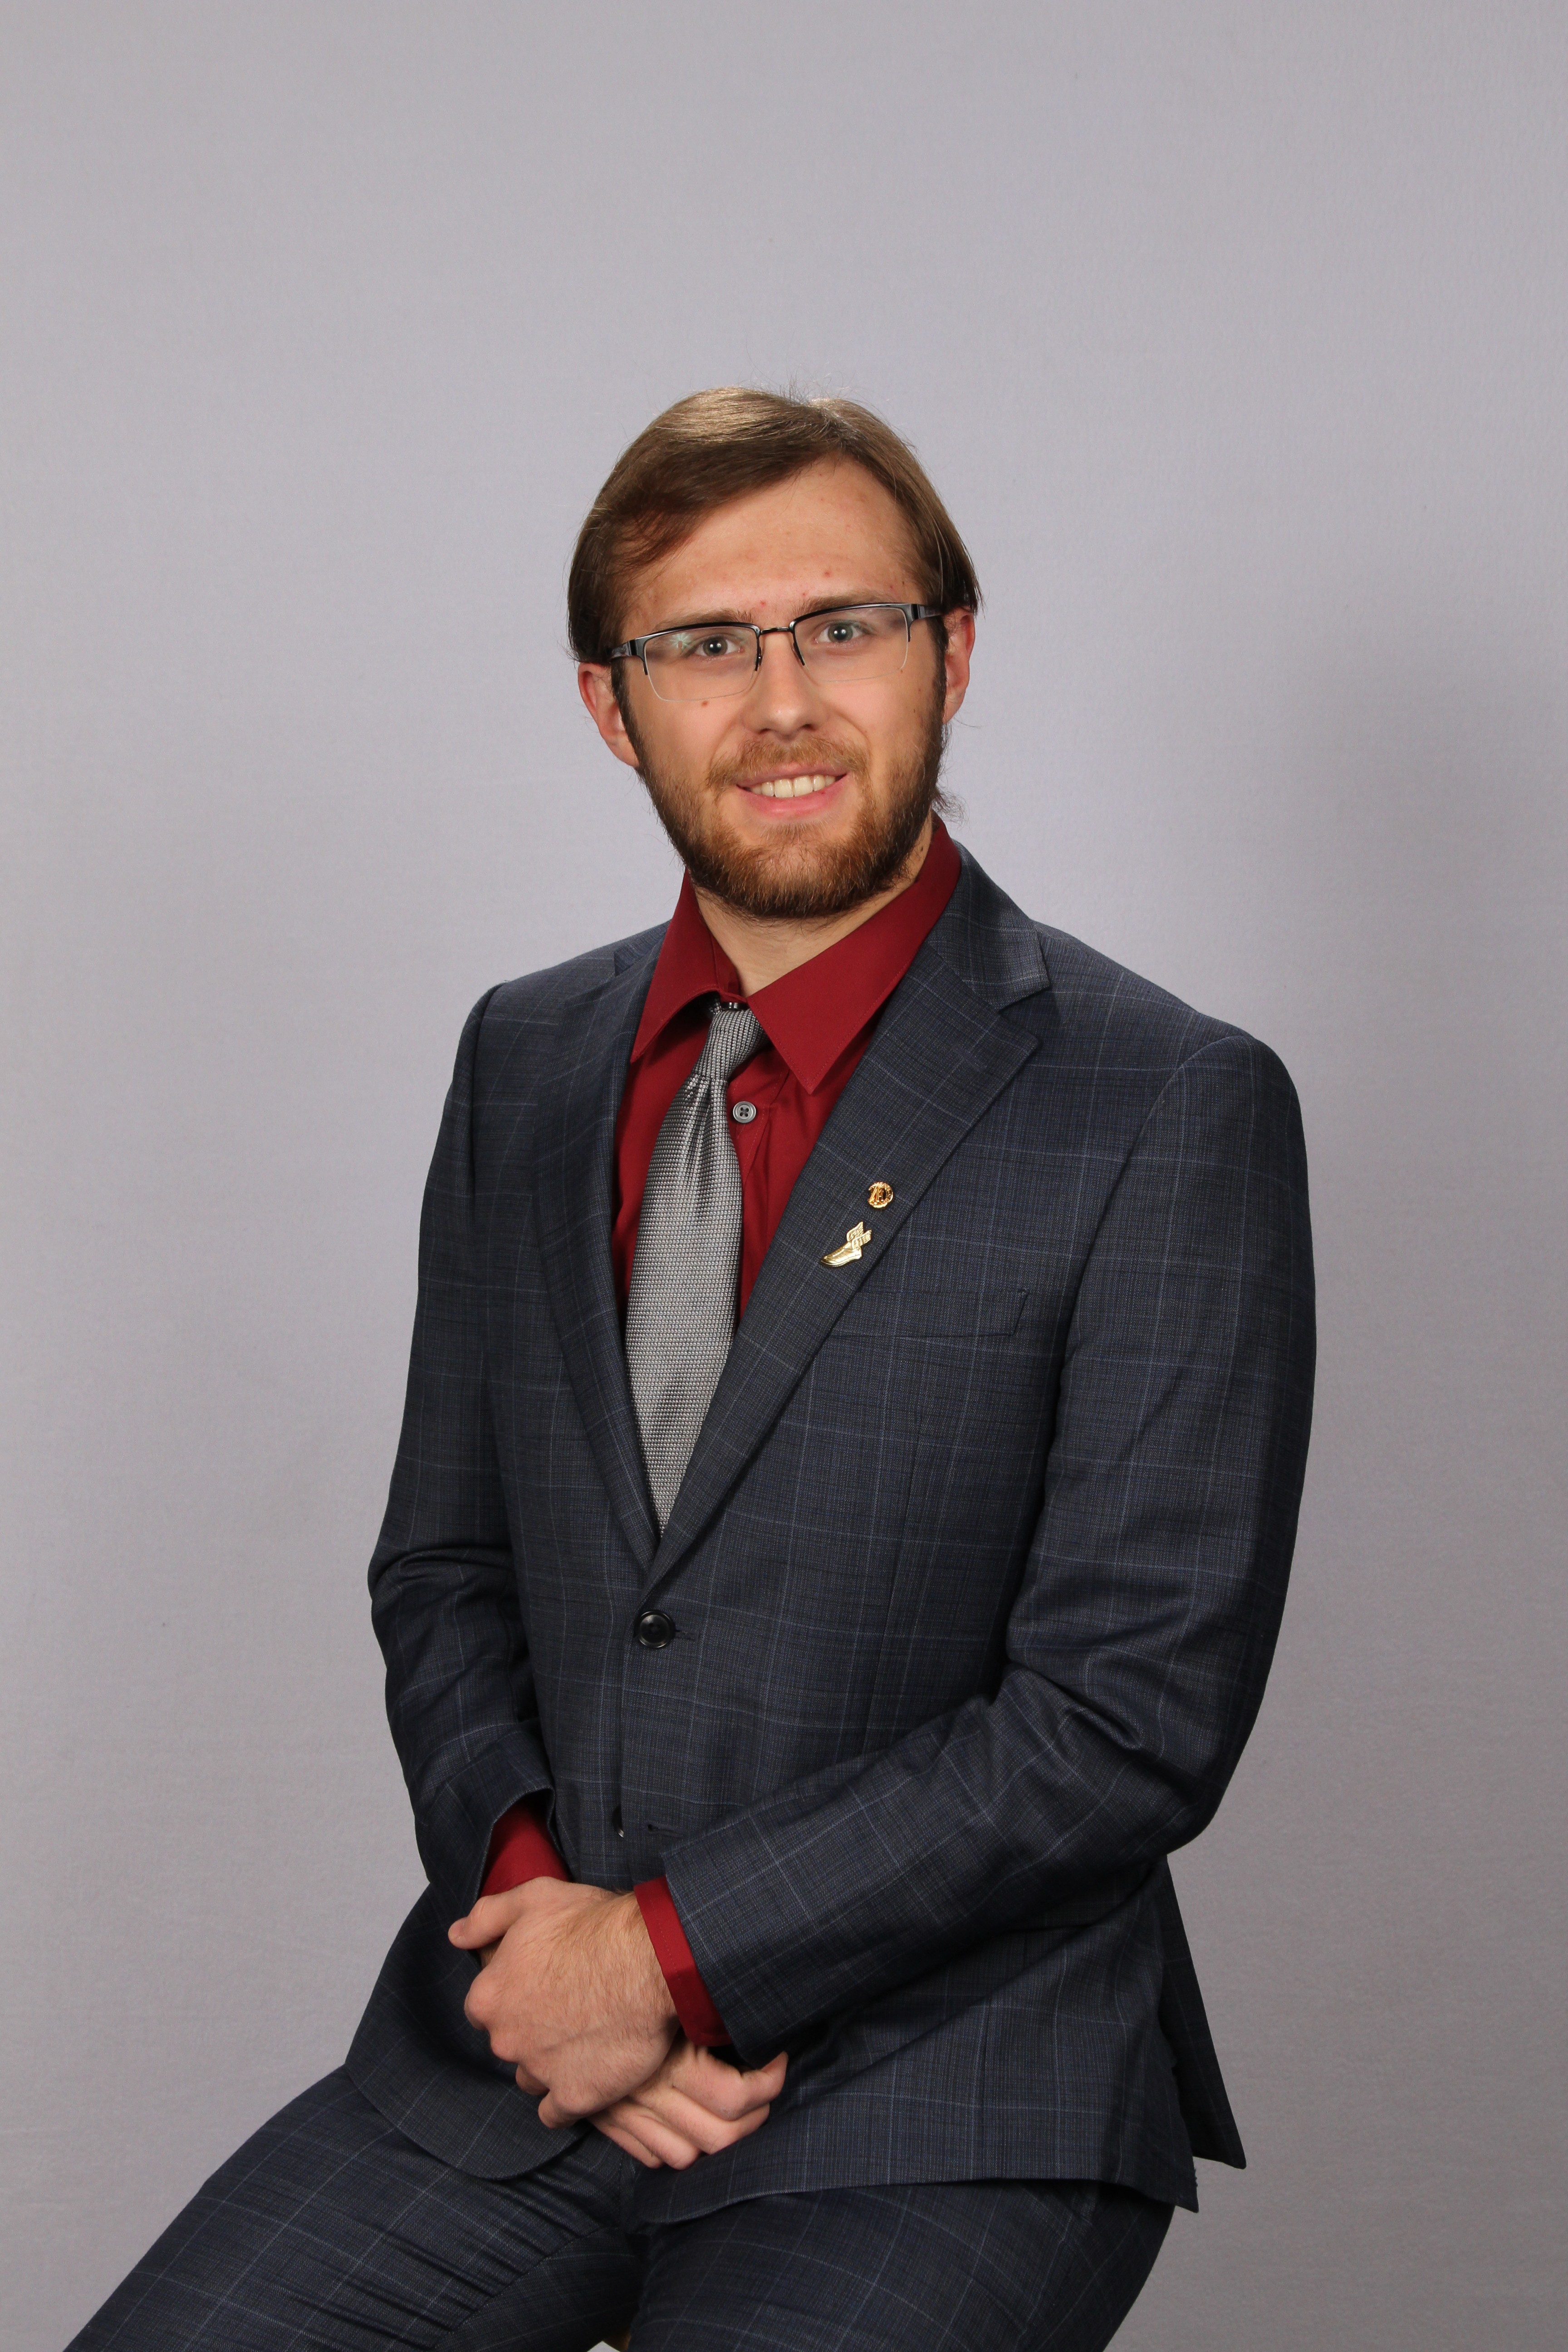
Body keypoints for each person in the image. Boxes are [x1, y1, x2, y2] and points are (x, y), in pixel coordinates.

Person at [71, 388, 1315, 2352]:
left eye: (846, 626)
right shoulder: (528, 1058)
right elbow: (446, 1568)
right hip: (529, 2047)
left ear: (953, 655)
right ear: (611, 704)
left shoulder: (1163, 1101)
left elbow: (1126, 1716)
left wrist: (664, 1959)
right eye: (709, 644)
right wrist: (546, 1940)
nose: (783, 701)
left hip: (948, 2085)